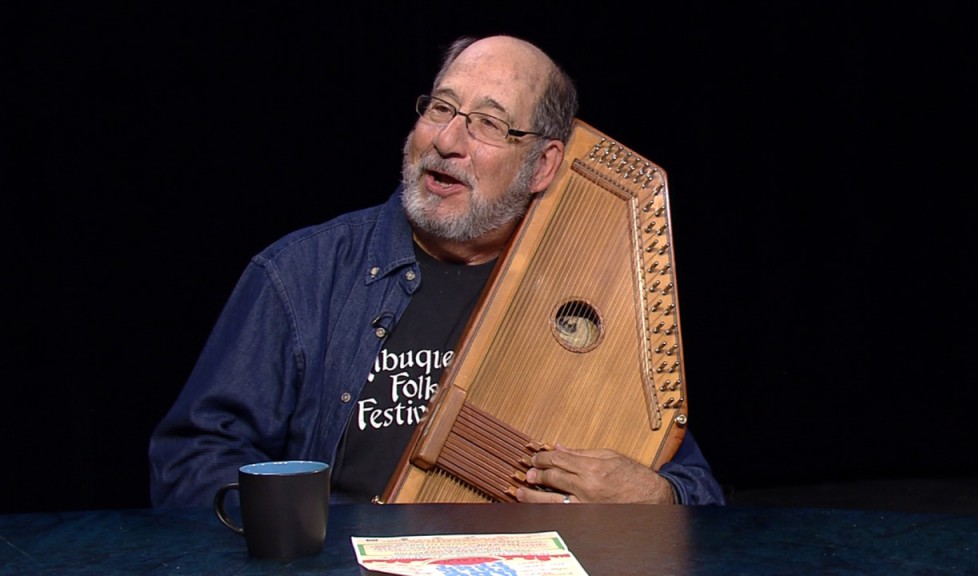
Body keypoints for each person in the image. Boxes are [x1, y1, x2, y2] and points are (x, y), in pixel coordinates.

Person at [149, 34, 725, 508]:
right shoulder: (300, 276)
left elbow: (698, 490)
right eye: (441, 108)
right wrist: (314, 540)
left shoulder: (587, 294)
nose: (447, 140)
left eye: (488, 124)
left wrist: (656, 498)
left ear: (544, 164)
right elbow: (192, 465)